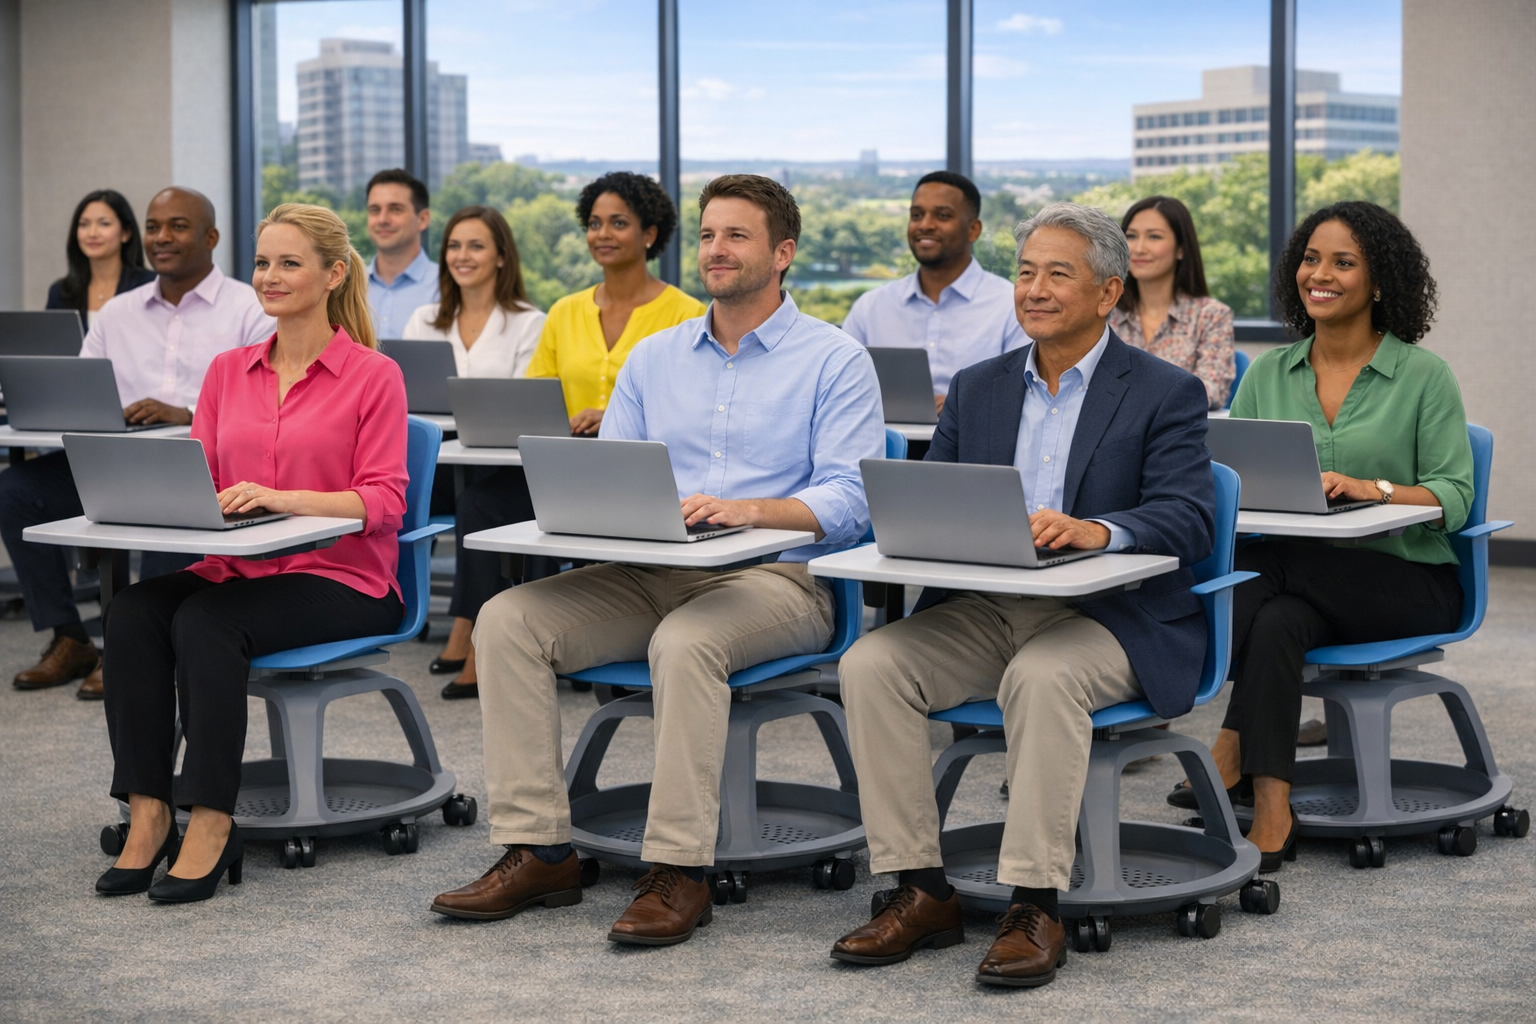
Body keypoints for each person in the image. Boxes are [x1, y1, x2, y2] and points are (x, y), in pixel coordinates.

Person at [429, 174, 884, 946]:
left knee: (687, 640)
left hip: (777, 578)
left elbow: (852, 499)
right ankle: (539, 849)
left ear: (782, 253)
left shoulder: (835, 359)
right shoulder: (655, 356)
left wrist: (753, 510)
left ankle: (679, 869)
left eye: (736, 235)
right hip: (651, 568)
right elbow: (614, 475)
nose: (716, 249)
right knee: (508, 620)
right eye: (708, 234)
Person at [828, 203, 1214, 989]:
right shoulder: (979, 388)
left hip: (1112, 616)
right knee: (872, 663)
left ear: (1108, 294)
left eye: (1057, 274)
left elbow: (1191, 517)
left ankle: (1035, 902)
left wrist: (1099, 530)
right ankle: (919, 888)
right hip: (991, 608)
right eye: (1027, 272)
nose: (1034, 290)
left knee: (1042, 677)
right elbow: (934, 495)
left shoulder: (1163, 391)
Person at [93, 202, 409, 903]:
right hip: (238, 565)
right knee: (134, 612)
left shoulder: (372, 375)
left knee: (207, 623)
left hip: (345, 576)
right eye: (263, 262)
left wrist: (281, 495)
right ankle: (147, 811)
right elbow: (202, 480)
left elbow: (383, 501)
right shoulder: (228, 370)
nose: (269, 276)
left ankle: (210, 819)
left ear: (332, 274)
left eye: (289, 263)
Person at [1168, 201, 1471, 872]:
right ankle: (1274, 802)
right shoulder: (1271, 374)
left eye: (1342, 262)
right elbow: (1229, 477)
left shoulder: (1424, 376)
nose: (1320, 274)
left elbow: (1455, 493)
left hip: (1409, 580)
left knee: (1265, 577)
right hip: (1302, 582)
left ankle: (1221, 732)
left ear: (1380, 280)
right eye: (1310, 259)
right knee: (1278, 619)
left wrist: (1374, 488)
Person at [431, 171, 703, 698]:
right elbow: (537, 397)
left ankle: (571, 641)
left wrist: (616, 413)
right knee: (481, 505)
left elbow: (689, 412)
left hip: (640, 478)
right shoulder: (565, 311)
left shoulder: (686, 315)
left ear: (650, 234)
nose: (602, 233)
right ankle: (483, 641)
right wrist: (563, 416)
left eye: (618, 223)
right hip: (571, 468)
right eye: (594, 223)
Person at [1, 187, 274, 700]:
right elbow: (78, 391)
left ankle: (134, 646)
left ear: (211, 237)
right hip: (115, 461)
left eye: (177, 226)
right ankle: (70, 636)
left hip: (204, 466)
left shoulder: (248, 308)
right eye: (153, 226)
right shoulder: (118, 314)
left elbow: (267, 403)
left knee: (165, 510)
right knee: (16, 490)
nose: (161, 237)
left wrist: (189, 412)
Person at [842, 170, 1025, 414]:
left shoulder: (1011, 306)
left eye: (942, 215)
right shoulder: (870, 307)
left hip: (972, 447)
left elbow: (1023, 392)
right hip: (884, 446)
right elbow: (841, 387)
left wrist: (958, 405)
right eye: (917, 215)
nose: (925, 225)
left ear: (973, 230)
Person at [1108, 195, 1235, 410]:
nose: (1138, 248)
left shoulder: (1211, 315)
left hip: (1177, 436)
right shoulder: (1105, 314)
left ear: (1181, 249)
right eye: (1131, 236)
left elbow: (1212, 391)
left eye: (1154, 237)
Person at [45, 189, 156, 328]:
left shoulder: (150, 286)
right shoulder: (61, 292)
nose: (92, 233)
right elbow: (51, 347)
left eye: (104, 224)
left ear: (126, 233)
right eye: (84, 224)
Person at [365, 168, 438, 340]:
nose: (382, 219)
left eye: (395, 209)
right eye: (375, 210)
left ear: (423, 219)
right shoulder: (346, 288)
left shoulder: (448, 287)